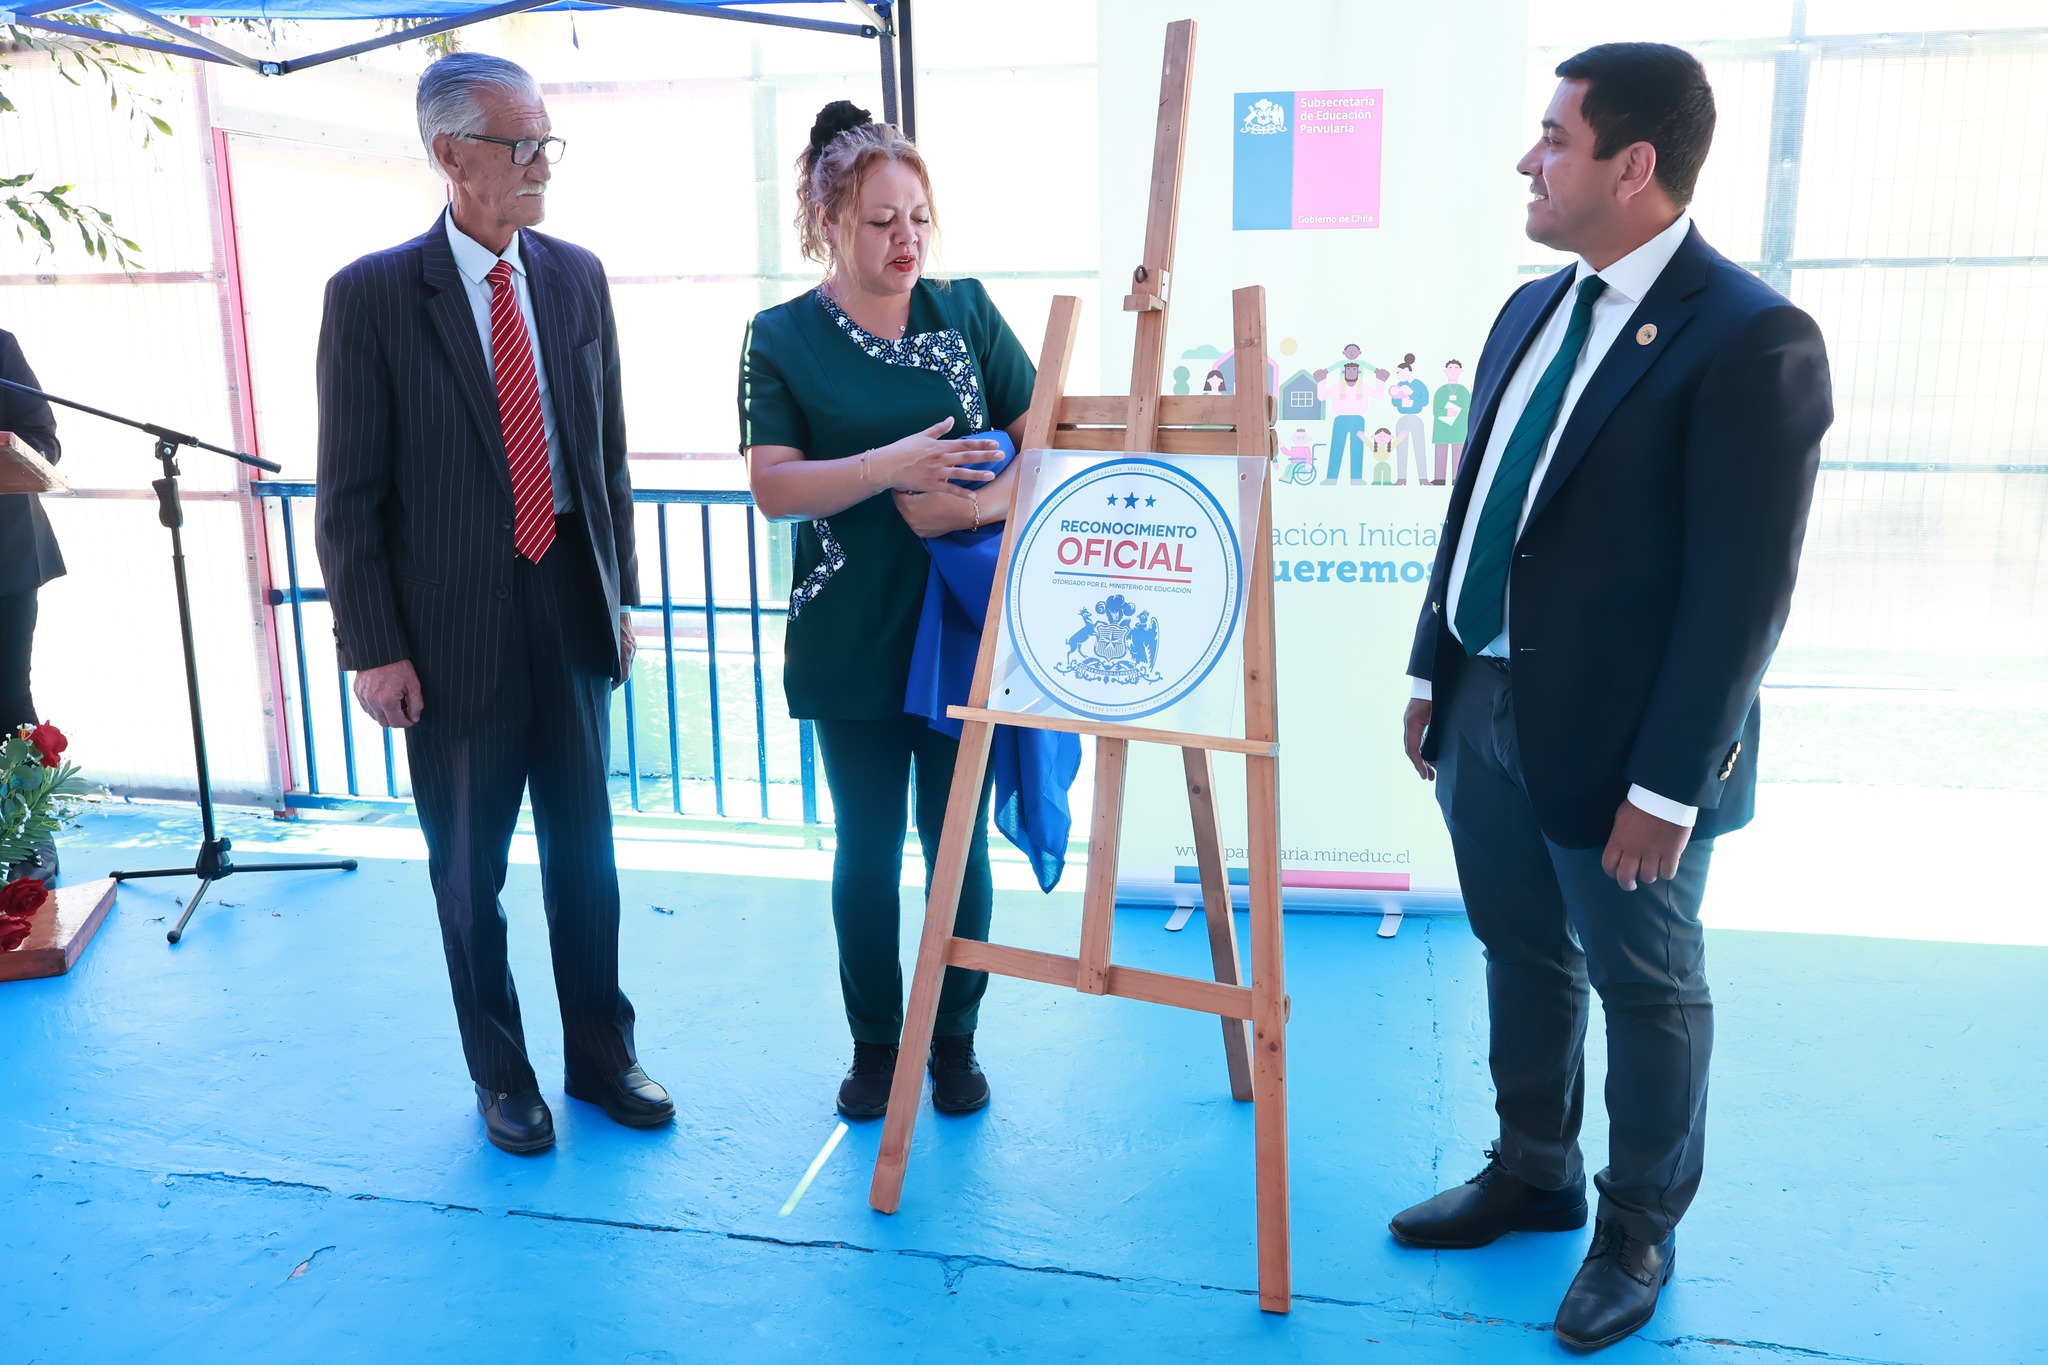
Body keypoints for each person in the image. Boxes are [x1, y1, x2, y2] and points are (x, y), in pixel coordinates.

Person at [1394, 43, 1832, 1351]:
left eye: (1554, 139)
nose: (1527, 161)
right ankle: (1535, 1168)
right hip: (1484, 703)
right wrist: (1431, 665)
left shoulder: (1750, 337)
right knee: (1520, 950)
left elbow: (1741, 595)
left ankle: (1637, 1226)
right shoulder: (1529, 310)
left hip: (1631, 748)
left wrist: (1669, 786)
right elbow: (1482, 506)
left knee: (1647, 987)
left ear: (1633, 165)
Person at [314, 52, 670, 1156]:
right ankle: (501, 1075)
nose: (541, 165)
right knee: (470, 871)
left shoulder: (576, 277)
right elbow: (348, 496)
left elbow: (606, 459)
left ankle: (601, 1057)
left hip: (569, 596)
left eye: (545, 142)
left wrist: (618, 597)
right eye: (520, 146)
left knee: (586, 856)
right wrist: (374, 647)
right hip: (449, 627)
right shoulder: (372, 296)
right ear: (450, 155)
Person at [739, 101, 1038, 1121]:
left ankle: (954, 1040)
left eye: (917, 218)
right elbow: (774, 485)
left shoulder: (967, 312)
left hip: (961, 623)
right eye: (880, 221)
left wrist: (969, 506)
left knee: (957, 844)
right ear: (829, 221)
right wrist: (890, 467)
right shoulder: (779, 337)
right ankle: (875, 1044)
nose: (906, 239)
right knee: (866, 848)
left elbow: (1044, 440)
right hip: (850, 629)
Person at [0, 329, 63, 885]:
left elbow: (43, 442)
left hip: (6, 556)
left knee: (7, 697)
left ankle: (28, 833)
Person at [1431, 358, 1471, 483]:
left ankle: (1456, 480)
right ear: (1445, 371)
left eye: (1456, 368)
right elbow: (1436, 410)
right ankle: (1439, 479)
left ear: (1461, 371)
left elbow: (1469, 408)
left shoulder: (1464, 391)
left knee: (1458, 456)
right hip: (1442, 429)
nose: (1453, 371)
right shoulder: (1441, 391)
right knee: (1440, 455)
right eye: (1450, 368)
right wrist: (1446, 412)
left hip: (1459, 429)